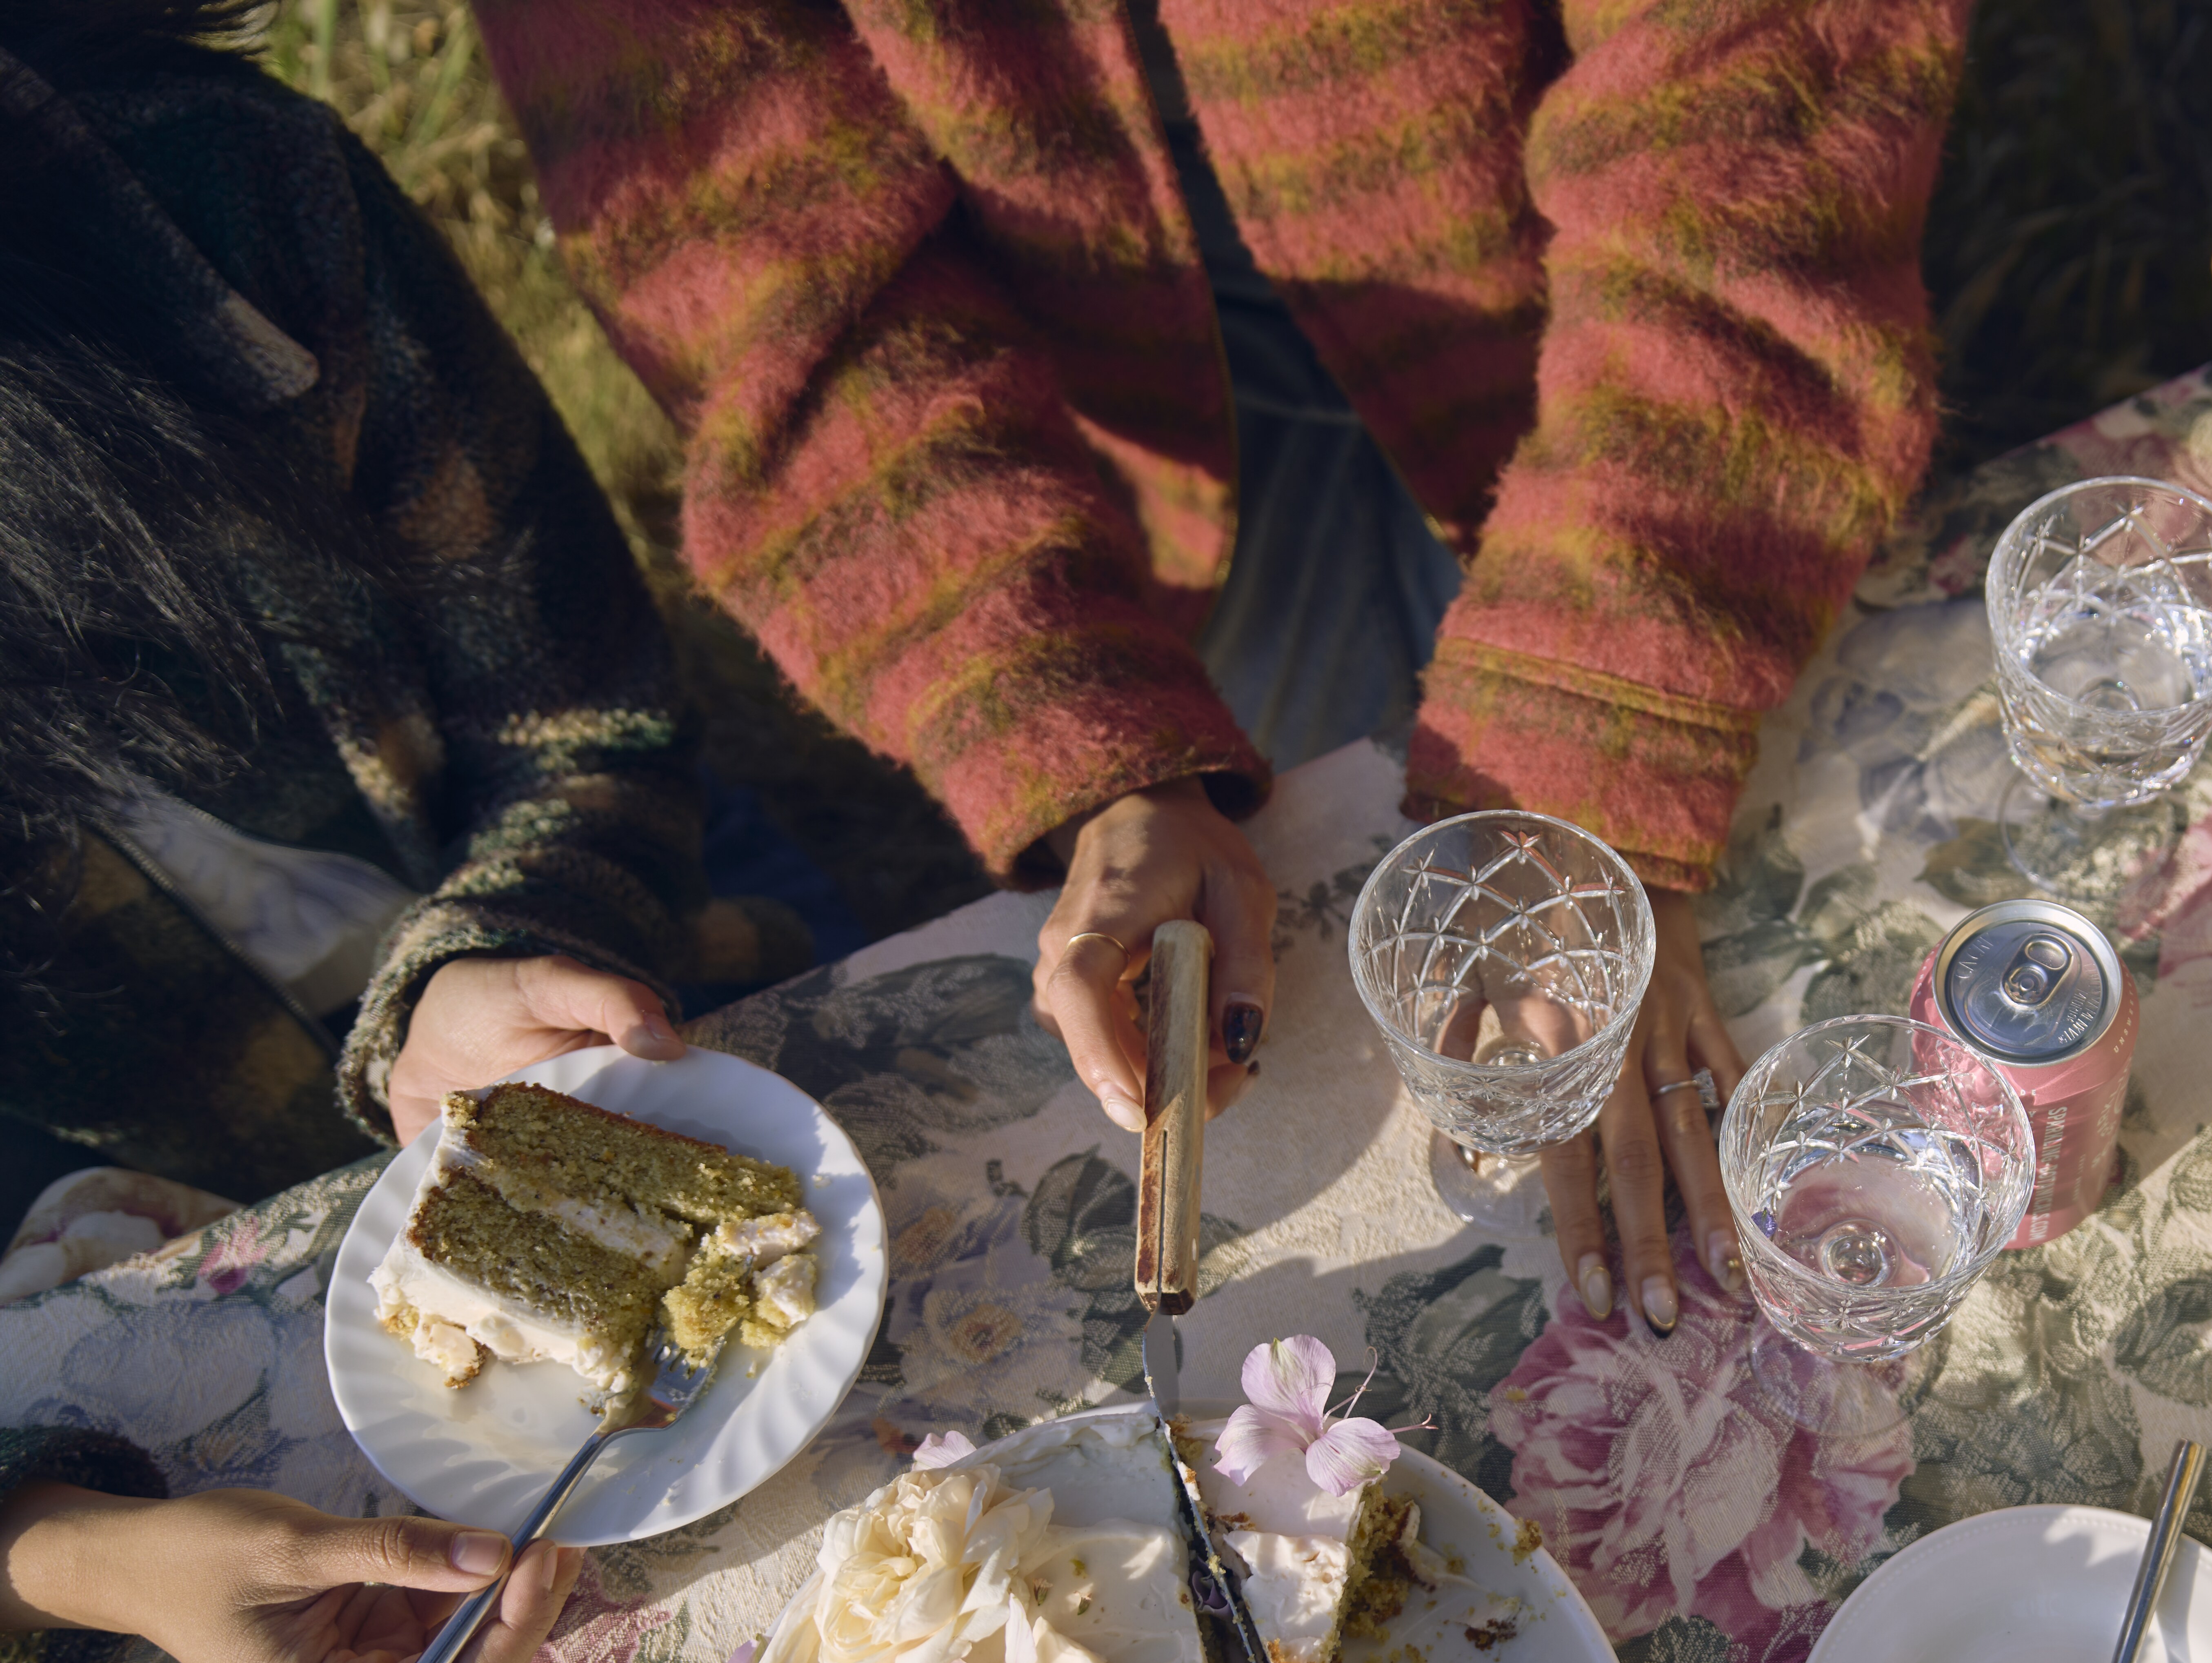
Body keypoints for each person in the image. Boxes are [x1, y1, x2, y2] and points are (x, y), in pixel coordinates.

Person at [462, 0, 1972, 1338]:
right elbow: (752, 268)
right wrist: (1085, 738)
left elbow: (1760, 82)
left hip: (1626, 323)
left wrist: (1604, 719)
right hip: (1103, 435)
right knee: (1352, 953)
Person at [0, 4, 734, 1663]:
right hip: (94, 1358)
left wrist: (497, 954)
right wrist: (65, 1554)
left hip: (584, 1054)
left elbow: (587, 721)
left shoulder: (197, 201)